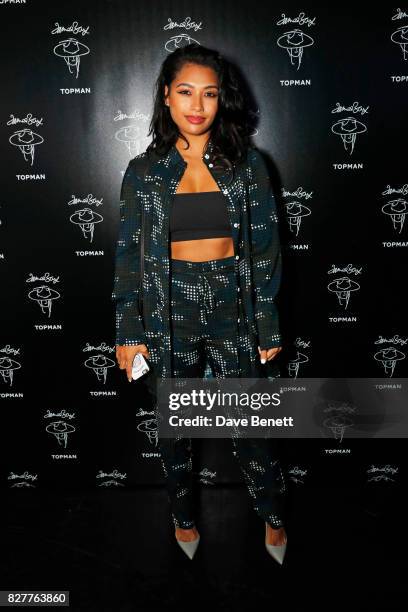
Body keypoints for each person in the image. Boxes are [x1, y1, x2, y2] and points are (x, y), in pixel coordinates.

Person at [112, 43, 288, 564]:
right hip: (168, 314)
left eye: (209, 94)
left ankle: (274, 515)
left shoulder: (248, 165)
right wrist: (128, 329)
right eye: (186, 91)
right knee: (175, 434)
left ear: (221, 101)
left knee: (252, 428)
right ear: (166, 96)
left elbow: (265, 250)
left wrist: (267, 326)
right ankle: (183, 516)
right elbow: (127, 255)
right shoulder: (143, 172)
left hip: (232, 307)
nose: (197, 104)